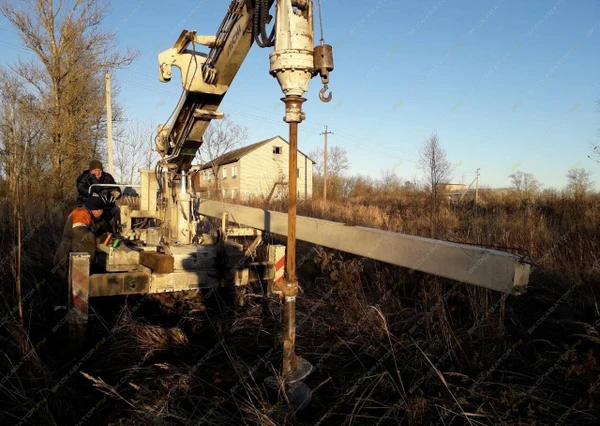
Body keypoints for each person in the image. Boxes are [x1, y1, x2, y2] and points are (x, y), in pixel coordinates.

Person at [53, 197, 106, 281]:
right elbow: (80, 232)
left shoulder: (81, 211)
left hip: (66, 251)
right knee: (74, 282)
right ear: (97, 210)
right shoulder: (83, 214)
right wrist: (97, 240)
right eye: (102, 211)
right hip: (69, 253)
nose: (102, 214)